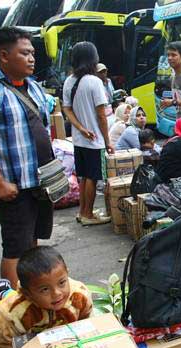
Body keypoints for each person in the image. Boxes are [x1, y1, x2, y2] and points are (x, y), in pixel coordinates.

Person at [0, 27, 55, 289]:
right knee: (15, 249)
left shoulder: (34, 87)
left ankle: (32, 298)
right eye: (24, 53)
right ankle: (12, 307)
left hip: (41, 183)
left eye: (33, 53)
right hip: (15, 187)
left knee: (33, 243)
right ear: (4, 56)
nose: (32, 58)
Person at [62, 41, 114, 226]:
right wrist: (108, 141)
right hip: (95, 140)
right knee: (92, 176)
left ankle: (82, 212)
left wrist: (80, 128)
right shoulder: (94, 82)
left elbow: (66, 109)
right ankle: (88, 215)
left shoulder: (69, 80)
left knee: (83, 176)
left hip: (79, 139)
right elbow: (102, 116)